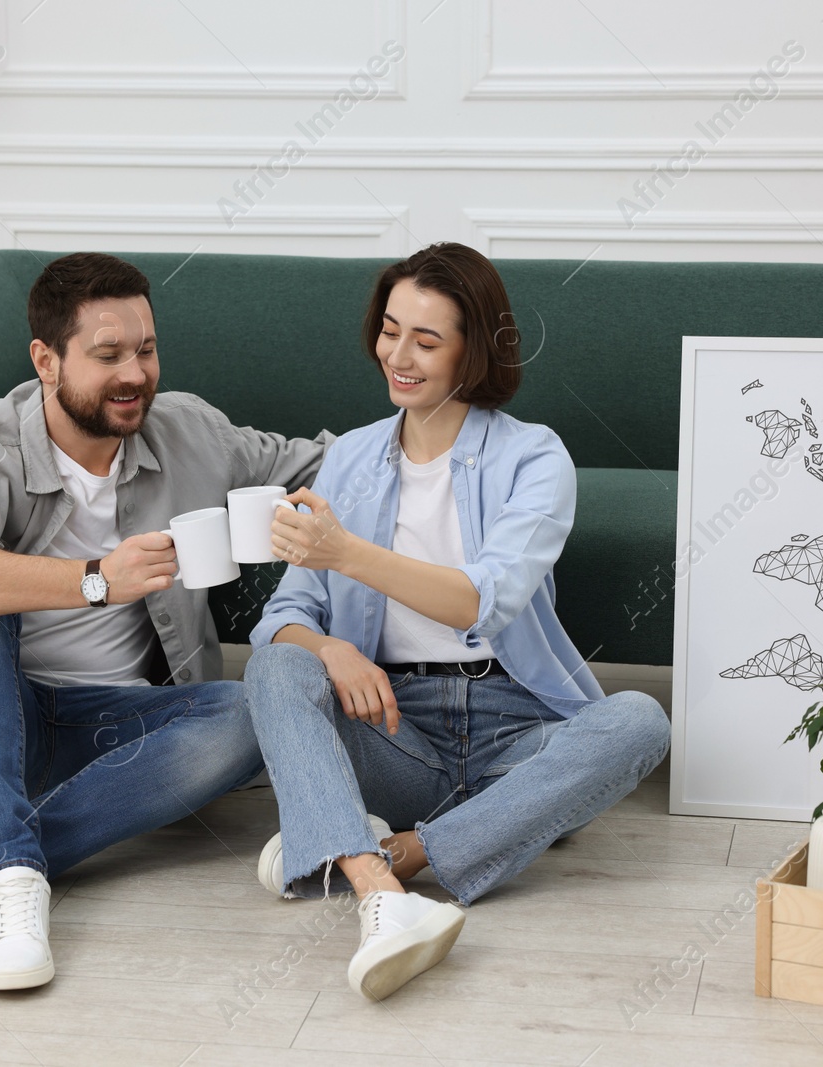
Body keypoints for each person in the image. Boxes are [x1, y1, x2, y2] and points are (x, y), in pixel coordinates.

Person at [0, 252, 329, 991]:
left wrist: (440, 450)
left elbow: (315, 463)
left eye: (145, 349)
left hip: (110, 731)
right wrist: (97, 580)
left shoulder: (188, 431)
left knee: (253, 708)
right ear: (46, 360)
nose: (135, 373)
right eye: (107, 355)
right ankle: (11, 881)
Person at [244, 242, 671, 1001]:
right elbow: (283, 616)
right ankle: (380, 892)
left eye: (427, 340)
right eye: (389, 329)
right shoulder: (350, 460)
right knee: (276, 664)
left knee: (638, 721)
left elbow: (482, 599)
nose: (397, 355)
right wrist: (331, 646)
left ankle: (384, 852)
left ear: (474, 350)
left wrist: (344, 550)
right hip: (395, 723)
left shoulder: (535, 458)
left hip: (516, 727)